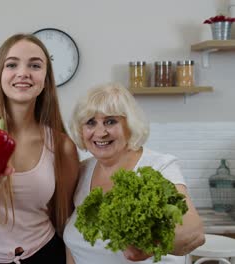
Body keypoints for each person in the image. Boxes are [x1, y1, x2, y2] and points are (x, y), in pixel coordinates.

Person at [0, 33, 80, 264]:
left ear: (45, 79)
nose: (23, 73)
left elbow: (65, 219)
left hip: (45, 254)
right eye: (12, 64)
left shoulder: (62, 146)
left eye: (35, 65)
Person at [63, 83, 205, 263]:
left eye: (110, 121)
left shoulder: (158, 166)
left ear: (130, 125)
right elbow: (73, 245)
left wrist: (151, 246)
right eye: (91, 122)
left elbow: (193, 233)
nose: (100, 132)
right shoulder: (82, 171)